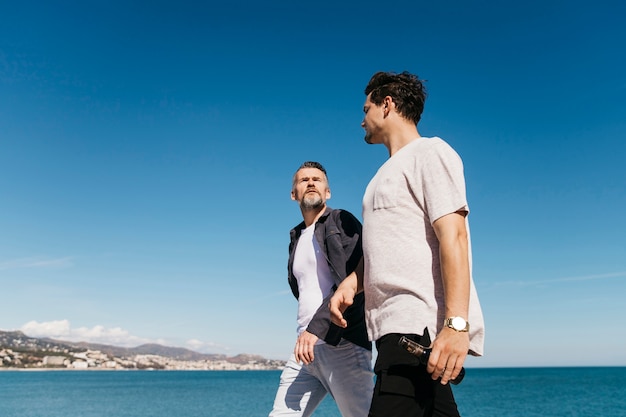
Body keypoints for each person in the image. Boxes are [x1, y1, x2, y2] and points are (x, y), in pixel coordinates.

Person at [329, 72, 485, 417]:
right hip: (391, 332)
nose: (361, 120)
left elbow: (454, 235)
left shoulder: (430, 152)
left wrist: (457, 325)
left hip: (418, 330)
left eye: (366, 108)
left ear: (387, 105)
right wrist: (352, 283)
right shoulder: (380, 177)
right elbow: (385, 246)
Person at [269, 161, 374, 417]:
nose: (311, 183)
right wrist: (308, 332)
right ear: (294, 194)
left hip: (344, 344)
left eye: (317, 179)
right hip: (305, 349)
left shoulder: (340, 221)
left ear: (328, 192)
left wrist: (316, 329)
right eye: (304, 180)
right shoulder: (296, 237)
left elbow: (355, 278)